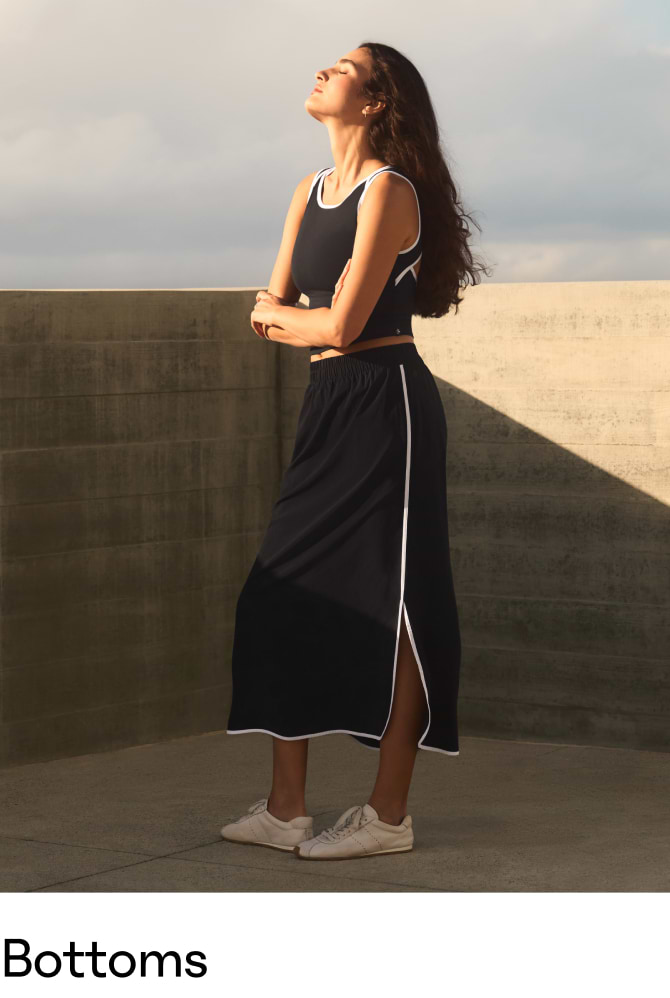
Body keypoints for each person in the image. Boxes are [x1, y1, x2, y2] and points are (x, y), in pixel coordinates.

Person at [221, 41, 489, 861]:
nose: (322, 69)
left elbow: (327, 325)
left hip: (387, 405)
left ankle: (387, 817)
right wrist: (293, 316)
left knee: (402, 604)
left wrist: (287, 318)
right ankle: (286, 808)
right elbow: (273, 307)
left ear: (375, 103)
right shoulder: (311, 189)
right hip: (329, 403)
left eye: (343, 67)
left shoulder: (391, 192)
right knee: (281, 590)